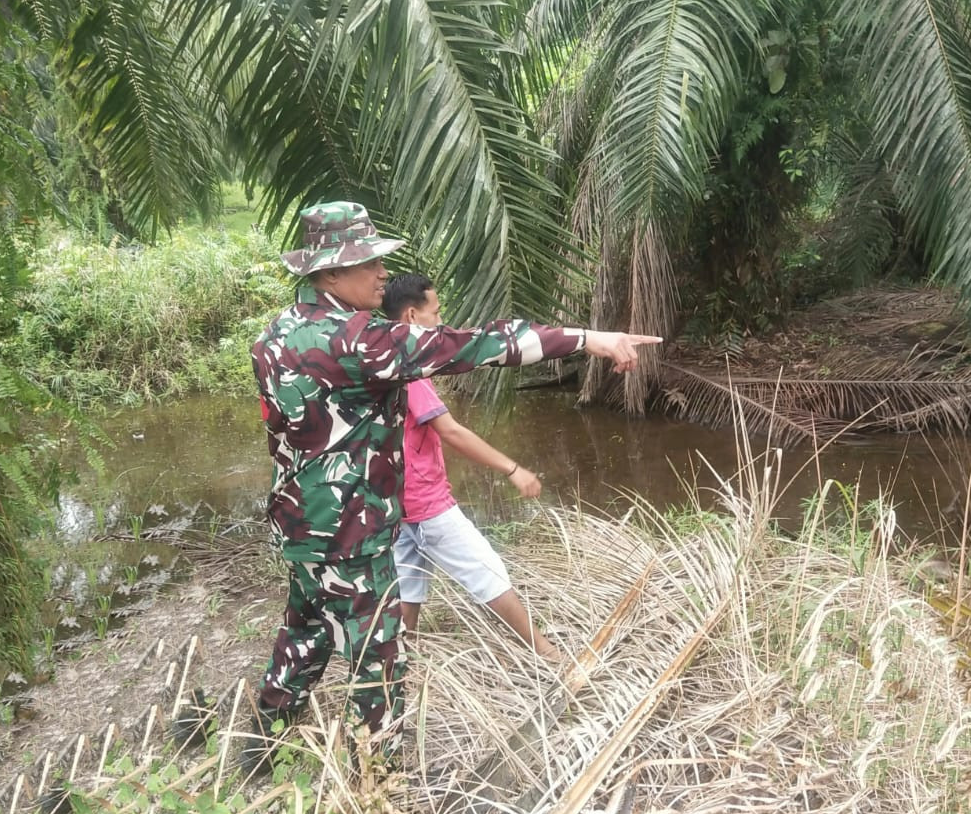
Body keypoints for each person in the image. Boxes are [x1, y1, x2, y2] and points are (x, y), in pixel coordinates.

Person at [241, 200, 659, 772]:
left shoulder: (277, 332)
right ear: (331, 273)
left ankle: (262, 746)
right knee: (377, 657)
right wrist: (588, 339)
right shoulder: (360, 340)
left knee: (306, 629)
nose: (383, 274)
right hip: (351, 531)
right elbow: (471, 345)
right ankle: (378, 776)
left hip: (300, 525)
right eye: (368, 263)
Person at [381, 274, 557, 661]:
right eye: (435, 313)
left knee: (407, 580)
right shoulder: (410, 375)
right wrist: (513, 469)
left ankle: (402, 656)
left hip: (397, 501)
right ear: (411, 316)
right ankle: (545, 651)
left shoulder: (381, 360)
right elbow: (452, 432)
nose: (441, 322)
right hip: (426, 503)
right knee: (486, 571)